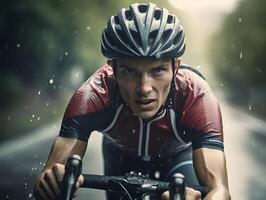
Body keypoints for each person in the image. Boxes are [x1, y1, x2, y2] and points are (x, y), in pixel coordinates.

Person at [33, 2, 231, 200]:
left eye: (158, 70)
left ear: (175, 67)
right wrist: (50, 184)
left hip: (178, 157)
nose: (144, 88)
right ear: (112, 68)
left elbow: (220, 191)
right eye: (129, 71)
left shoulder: (196, 96)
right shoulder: (94, 94)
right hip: (120, 156)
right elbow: (51, 173)